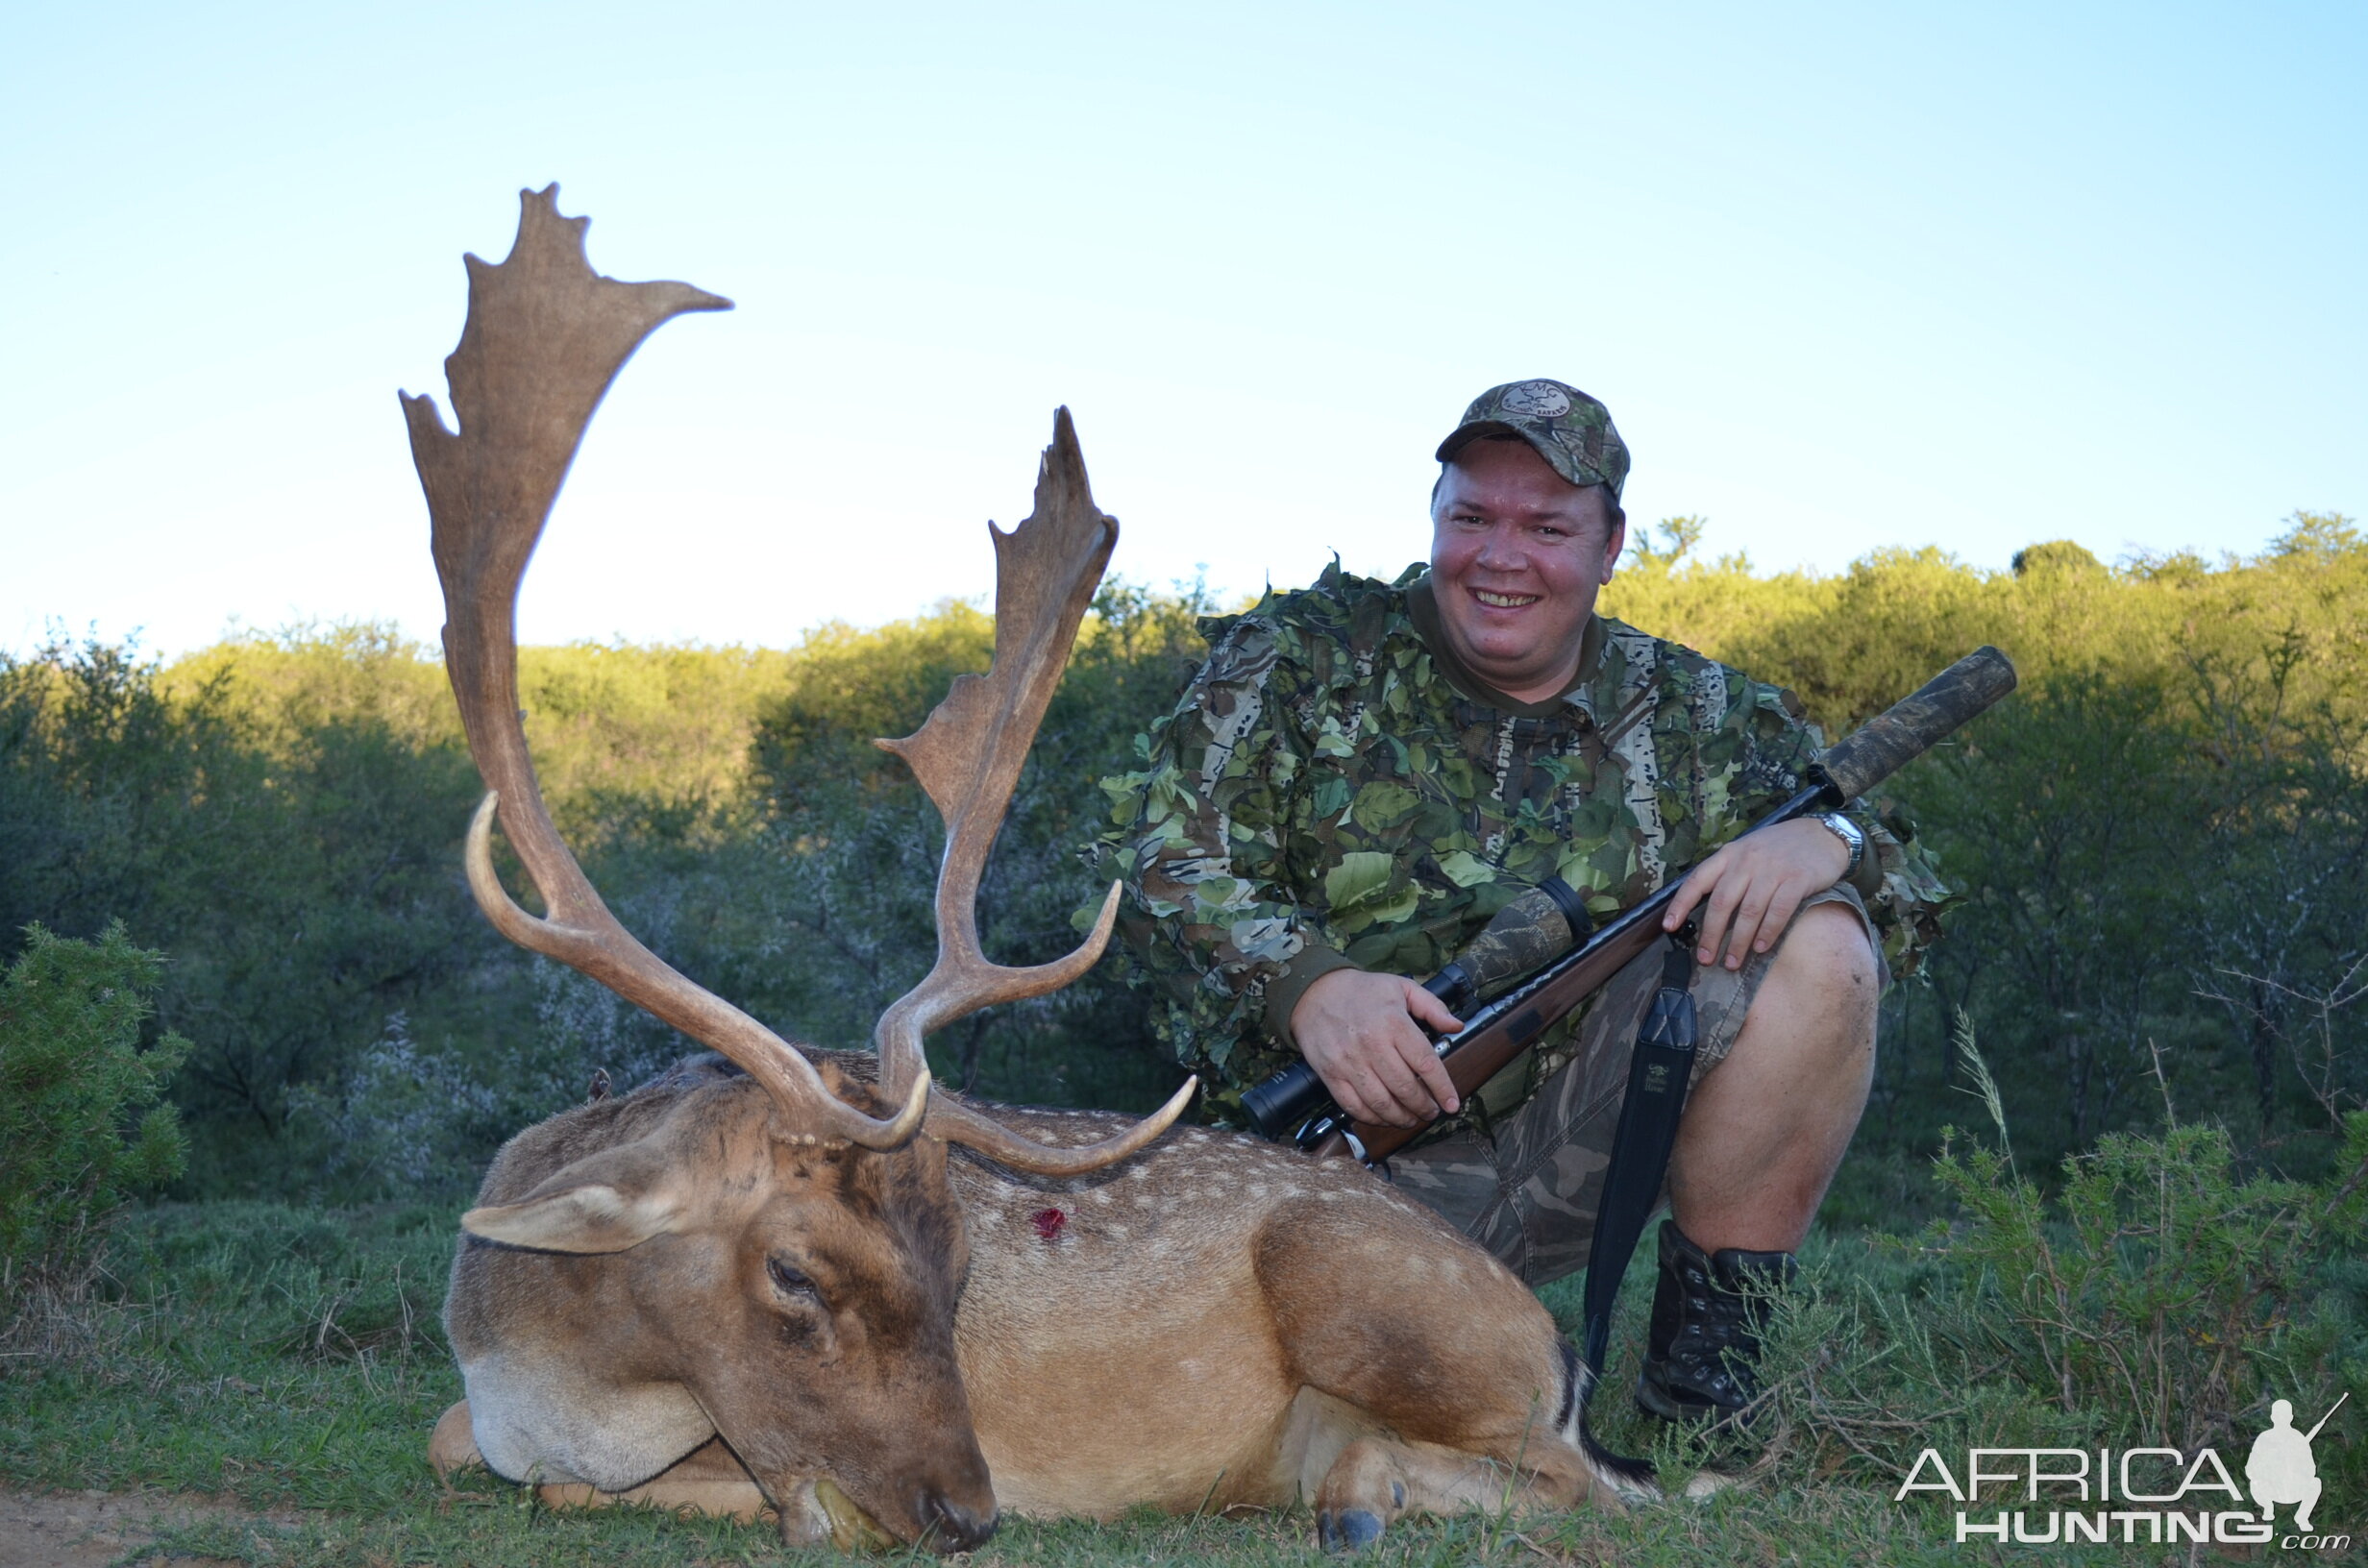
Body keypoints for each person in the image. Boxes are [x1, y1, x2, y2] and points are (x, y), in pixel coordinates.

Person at [1087, 379, 1948, 1423]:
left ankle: (1704, 1387)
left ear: (1609, 544)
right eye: (1473, 518)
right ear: (1435, 517)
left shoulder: (1698, 712)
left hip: (1577, 1143)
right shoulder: (1296, 656)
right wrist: (1308, 988)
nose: (1501, 558)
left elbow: (1904, 876)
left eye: (1546, 526)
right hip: (1315, 1169)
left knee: (1823, 939)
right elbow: (1160, 850)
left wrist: (1829, 842)